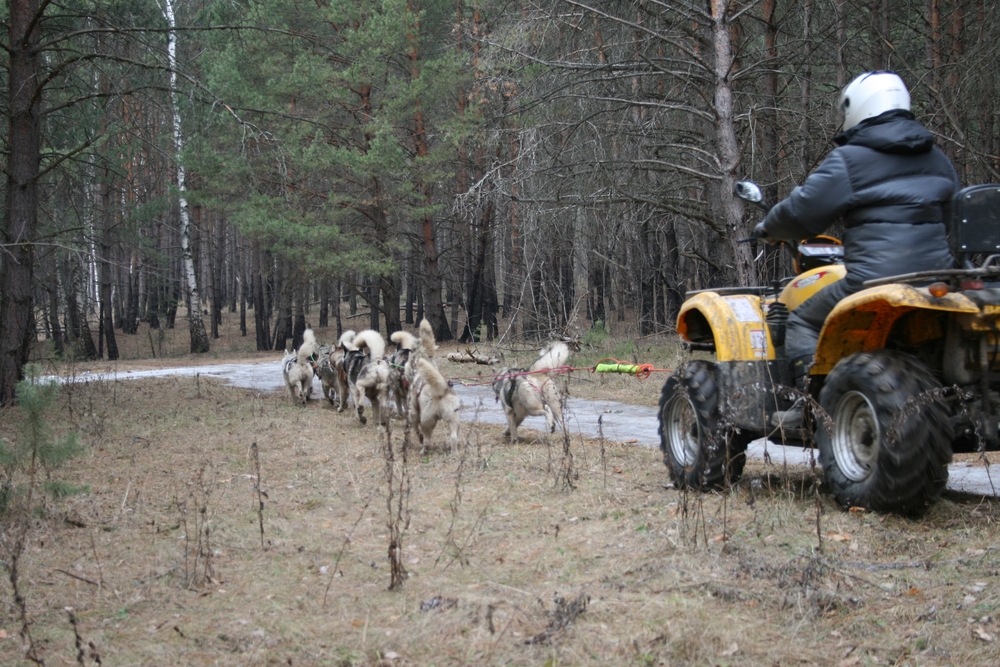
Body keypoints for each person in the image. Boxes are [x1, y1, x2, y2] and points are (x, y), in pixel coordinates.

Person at [752, 71, 960, 425]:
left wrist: (768, 228)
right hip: (937, 279)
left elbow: (803, 211)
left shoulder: (851, 159)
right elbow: (953, 218)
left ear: (857, 108)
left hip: (872, 281)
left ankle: (809, 406)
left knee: (801, 318)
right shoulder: (937, 157)